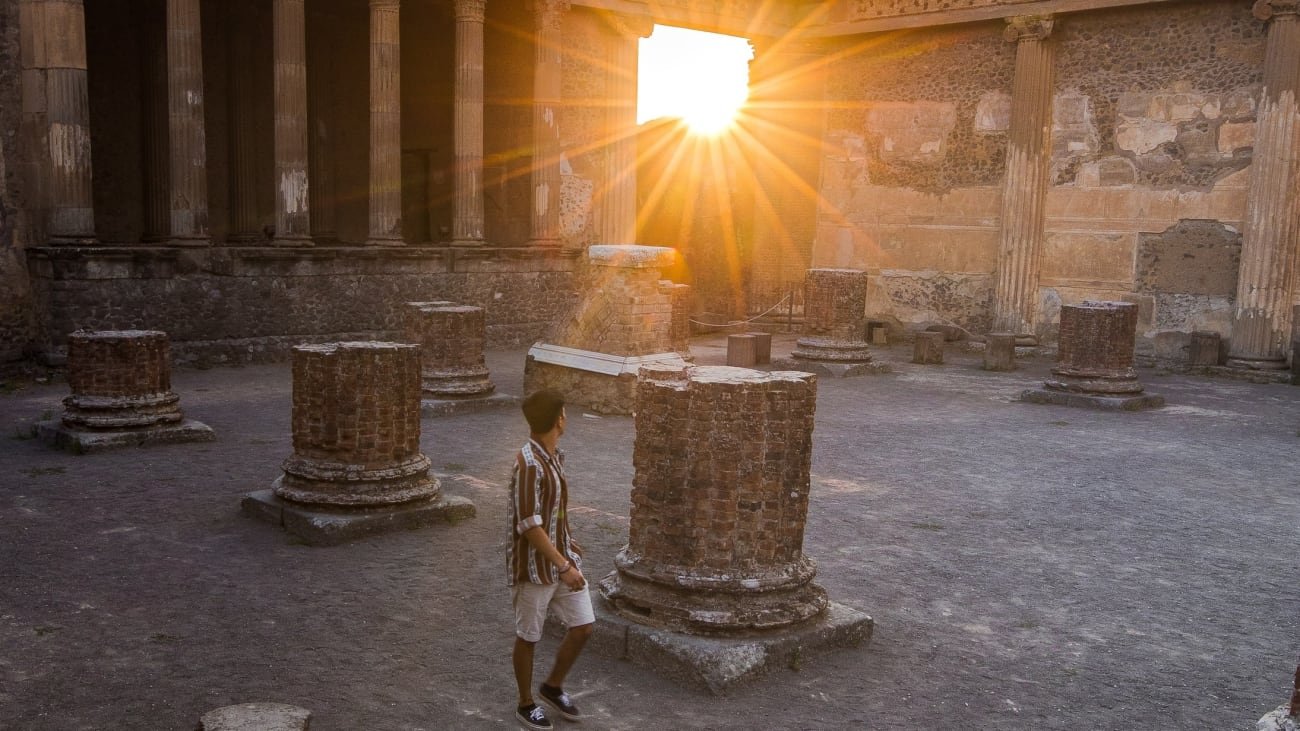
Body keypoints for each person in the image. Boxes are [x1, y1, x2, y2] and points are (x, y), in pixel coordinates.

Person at [508, 389, 594, 730]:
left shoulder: (554, 456)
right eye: (565, 412)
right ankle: (525, 703)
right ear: (557, 418)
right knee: (529, 635)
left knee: (583, 626)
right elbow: (528, 524)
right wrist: (563, 566)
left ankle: (552, 686)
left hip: (561, 558)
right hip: (533, 568)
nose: (567, 417)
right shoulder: (528, 463)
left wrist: (568, 540)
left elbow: (554, 509)